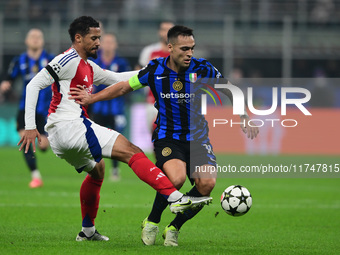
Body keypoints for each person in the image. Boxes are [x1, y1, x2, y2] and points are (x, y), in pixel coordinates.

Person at [18, 16, 212, 242]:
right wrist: (30, 127)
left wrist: (156, 70)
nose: (99, 43)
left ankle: (87, 231)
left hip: (63, 137)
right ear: (78, 38)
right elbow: (34, 84)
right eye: (94, 38)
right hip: (70, 126)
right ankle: (176, 197)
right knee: (132, 151)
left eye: (99, 37)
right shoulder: (68, 59)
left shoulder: (88, 66)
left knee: (97, 171)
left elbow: (117, 78)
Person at [68, 25, 259, 246]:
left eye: (192, 49)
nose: (189, 53)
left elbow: (230, 89)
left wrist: (244, 115)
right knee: (176, 179)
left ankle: (174, 227)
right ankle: (152, 221)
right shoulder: (154, 70)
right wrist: (91, 98)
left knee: (206, 184)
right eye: (184, 48)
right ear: (170, 47)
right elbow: (123, 88)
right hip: (168, 138)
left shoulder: (202, 68)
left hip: (198, 139)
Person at [0, 28, 54, 188]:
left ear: (43, 41)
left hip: (45, 110)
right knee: (26, 141)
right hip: (25, 109)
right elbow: (9, 78)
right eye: (32, 36)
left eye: (39, 36)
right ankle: (36, 176)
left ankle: (44, 143)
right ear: (26, 41)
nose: (35, 39)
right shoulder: (19, 60)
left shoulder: (51, 60)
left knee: (43, 146)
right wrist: (5, 84)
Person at [90, 33, 131, 181]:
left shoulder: (121, 63)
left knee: (116, 140)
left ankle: (115, 170)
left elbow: (129, 83)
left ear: (115, 45)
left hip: (116, 109)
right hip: (98, 108)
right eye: (105, 42)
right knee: (95, 139)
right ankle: (95, 167)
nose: (107, 45)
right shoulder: (94, 61)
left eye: (110, 42)